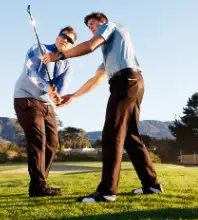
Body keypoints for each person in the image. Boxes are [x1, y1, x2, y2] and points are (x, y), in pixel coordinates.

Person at [42, 12, 161, 203]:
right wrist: (73, 96)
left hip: (126, 81)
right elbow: (96, 79)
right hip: (132, 81)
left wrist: (58, 56)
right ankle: (152, 185)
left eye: (93, 23)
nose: (91, 28)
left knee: (111, 134)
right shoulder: (111, 51)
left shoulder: (110, 26)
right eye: (89, 26)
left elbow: (89, 46)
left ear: (102, 21)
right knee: (130, 137)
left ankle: (106, 192)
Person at [14, 26, 77, 197]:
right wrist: (46, 87)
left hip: (46, 104)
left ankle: (40, 183)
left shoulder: (67, 65)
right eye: (64, 36)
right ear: (57, 36)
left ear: (71, 45)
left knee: (52, 142)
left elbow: (61, 89)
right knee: (38, 140)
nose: (65, 40)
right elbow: (30, 72)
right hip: (26, 98)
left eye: (70, 40)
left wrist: (57, 97)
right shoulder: (38, 49)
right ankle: (38, 187)